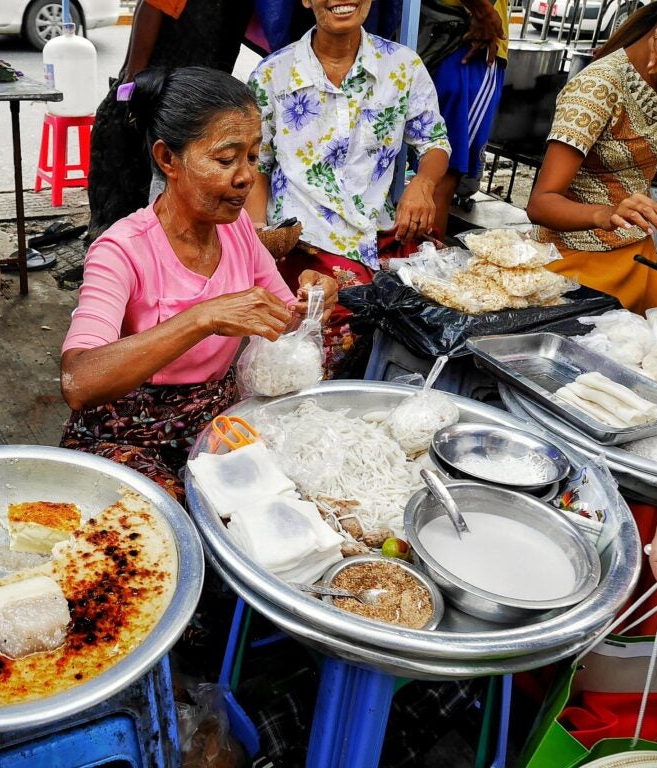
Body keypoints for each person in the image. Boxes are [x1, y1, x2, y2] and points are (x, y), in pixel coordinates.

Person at [61, 66, 338, 503]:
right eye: (226, 160)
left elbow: (283, 321)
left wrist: (312, 301)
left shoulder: (237, 229)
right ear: (168, 159)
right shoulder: (121, 250)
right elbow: (79, 382)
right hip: (130, 433)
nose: (246, 176)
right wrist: (203, 317)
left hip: (214, 417)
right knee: (186, 522)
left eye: (252, 156)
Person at [244, 0, 450, 374]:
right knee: (307, 355)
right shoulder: (272, 75)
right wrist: (260, 237)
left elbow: (435, 141)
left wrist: (423, 182)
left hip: (378, 235)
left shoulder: (402, 66)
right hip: (305, 240)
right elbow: (257, 164)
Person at [526, 1, 657, 315]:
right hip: (577, 274)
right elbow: (541, 202)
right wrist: (606, 213)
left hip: (639, 261)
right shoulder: (597, 88)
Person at [86, 0, 255, 245]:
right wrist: (134, 75)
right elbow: (153, 6)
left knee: (179, 183)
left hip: (201, 91)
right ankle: (121, 257)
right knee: (135, 183)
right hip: (158, 83)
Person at [419, 0, 509, 234]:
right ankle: (426, 264)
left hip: (439, 36)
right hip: (470, 43)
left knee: (430, 168)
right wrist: (483, 9)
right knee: (444, 174)